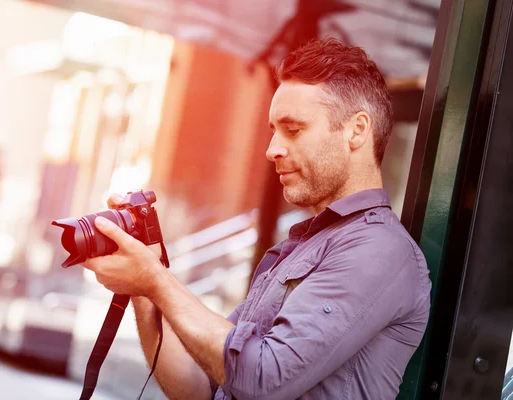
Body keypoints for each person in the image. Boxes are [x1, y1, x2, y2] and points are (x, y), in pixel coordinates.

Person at [84, 38, 432, 400]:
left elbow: (263, 381)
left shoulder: (378, 250)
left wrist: (156, 280)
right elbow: (199, 388)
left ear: (357, 130)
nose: (272, 150)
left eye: (293, 130)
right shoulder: (304, 247)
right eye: (273, 131)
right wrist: (143, 284)